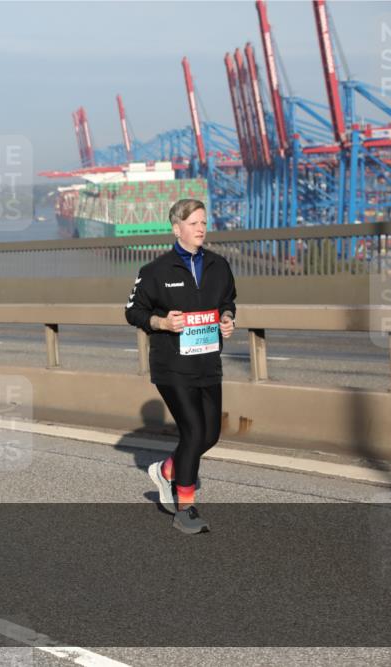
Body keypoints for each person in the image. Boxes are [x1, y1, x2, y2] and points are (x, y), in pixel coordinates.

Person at [125, 199, 236, 534]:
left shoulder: (219, 265)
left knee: (210, 434)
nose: (201, 228)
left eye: (204, 222)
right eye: (193, 223)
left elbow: (227, 303)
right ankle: (184, 508)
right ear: (177, 228)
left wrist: (228, 320)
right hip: (171, 364)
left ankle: (167, 470)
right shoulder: (155, 271)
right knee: (192, 431)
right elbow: (133, 312)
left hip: (207, 362)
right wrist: (161, 323)